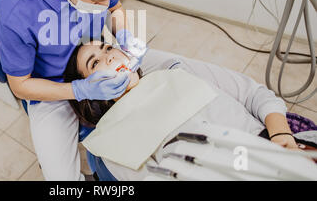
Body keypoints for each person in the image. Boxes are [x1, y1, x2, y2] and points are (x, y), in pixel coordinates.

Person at [0, 0, 147, 180]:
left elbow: (116, 8)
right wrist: (78, 90)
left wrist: (124, 38)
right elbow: (20, 86)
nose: (103, 7)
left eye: (105, 0)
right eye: (95, 2)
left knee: (173, 72)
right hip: (52, 88)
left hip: (97, 54)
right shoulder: (16, 11)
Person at [63, 40, 302, 180]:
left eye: (107, 48)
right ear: (89, 92)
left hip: (270, 149)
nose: (109, 57)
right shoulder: (112, 142)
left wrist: (281, 135)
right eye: (94, 63)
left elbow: (254, 94)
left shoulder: (176, 71)